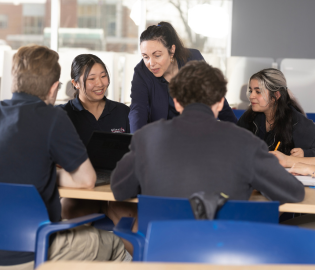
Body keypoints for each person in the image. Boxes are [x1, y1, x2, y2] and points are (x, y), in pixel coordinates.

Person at [0, 46, 125, 269]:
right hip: (33, 249)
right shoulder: (54, 117)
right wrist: (49, 172)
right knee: (115, 244)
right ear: (55, 88)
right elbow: (86, 180)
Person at [111, 61, 304, 204]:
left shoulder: (146, 137)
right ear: (220, 102)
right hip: (224, 252)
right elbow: (294, 193)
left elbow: (119, 190)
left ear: (176, 101)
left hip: (162, 251)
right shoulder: (245, 142)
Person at [129, 21, 237, 133]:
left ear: (172, 50)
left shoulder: (192, 59)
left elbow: (215, 96)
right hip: (161, 137)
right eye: (145, 57)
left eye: (157, 55)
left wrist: (237, 131)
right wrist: (136, 140)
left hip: (194, 133)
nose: (151, 63)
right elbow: (138, 110)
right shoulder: (141, 71)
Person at [237, 68, 315, 157]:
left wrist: (305, 153)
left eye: (258, 92)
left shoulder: (297, 122)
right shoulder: (250, 117)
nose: (251, 96)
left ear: (276, 96)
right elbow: (233, 140)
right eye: (251, 91)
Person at [60, 54, 130, 146]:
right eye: (91, 78)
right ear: (76, 83)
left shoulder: (123, 111)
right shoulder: (62, 114)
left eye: (103, 76)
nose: (100, 84)